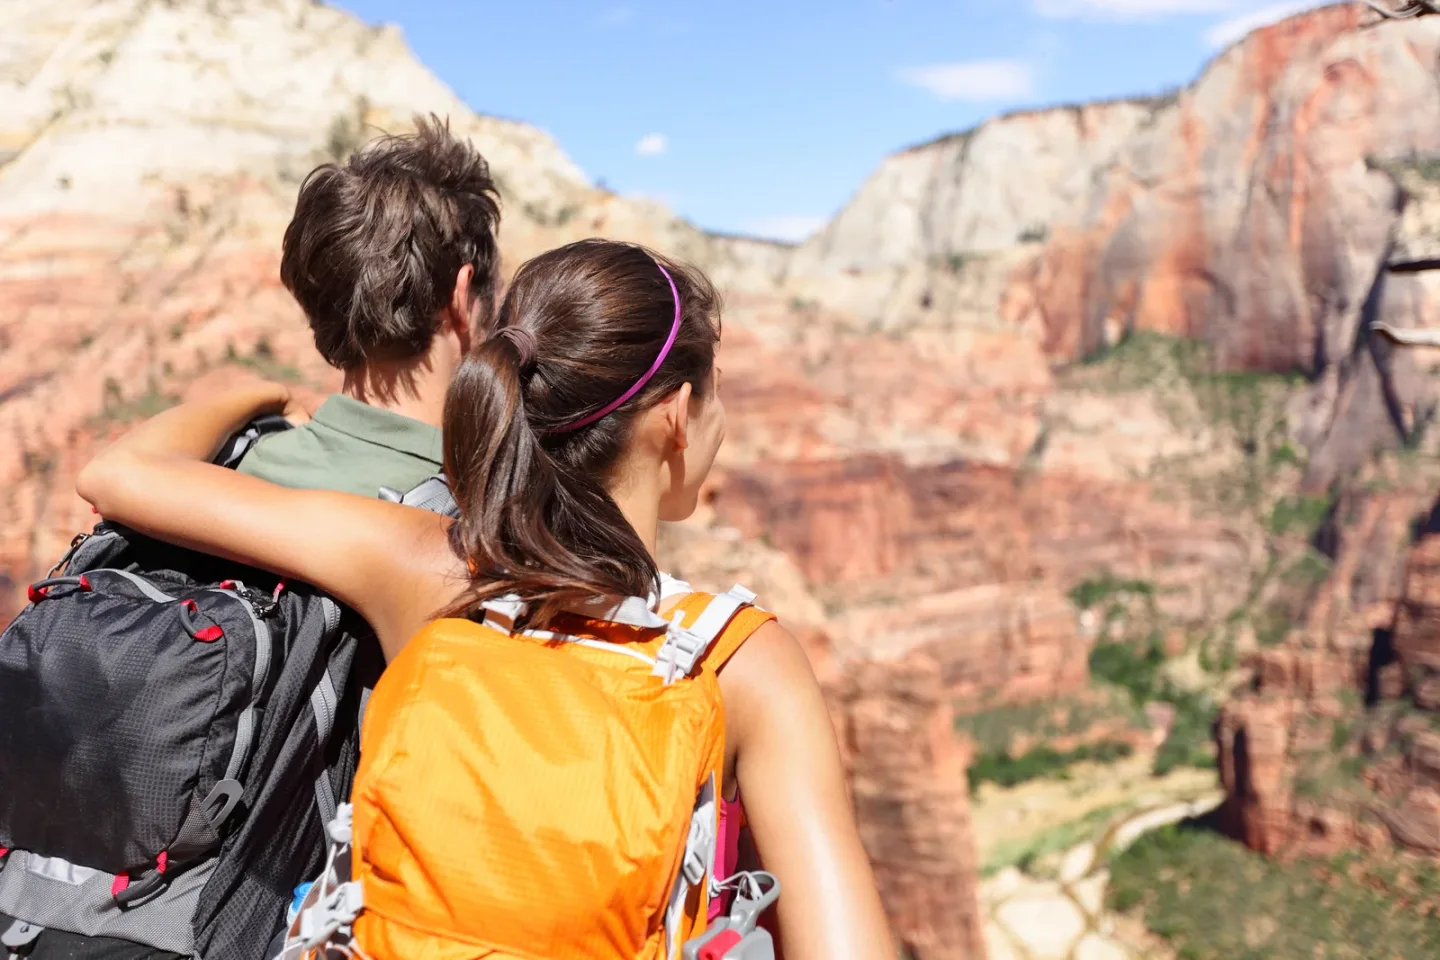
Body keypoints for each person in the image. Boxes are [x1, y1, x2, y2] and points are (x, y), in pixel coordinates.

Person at [75, 239, 894, 959]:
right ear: (677, 417)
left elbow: (119, 476)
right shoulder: (742, 662)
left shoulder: (420, 567)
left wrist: (257, 393)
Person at [2, 113, 503, 960]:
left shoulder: (216, 466)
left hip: (41, 909)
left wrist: (257, 392)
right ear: (462, 297)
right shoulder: (456, 529)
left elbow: (111, 473)